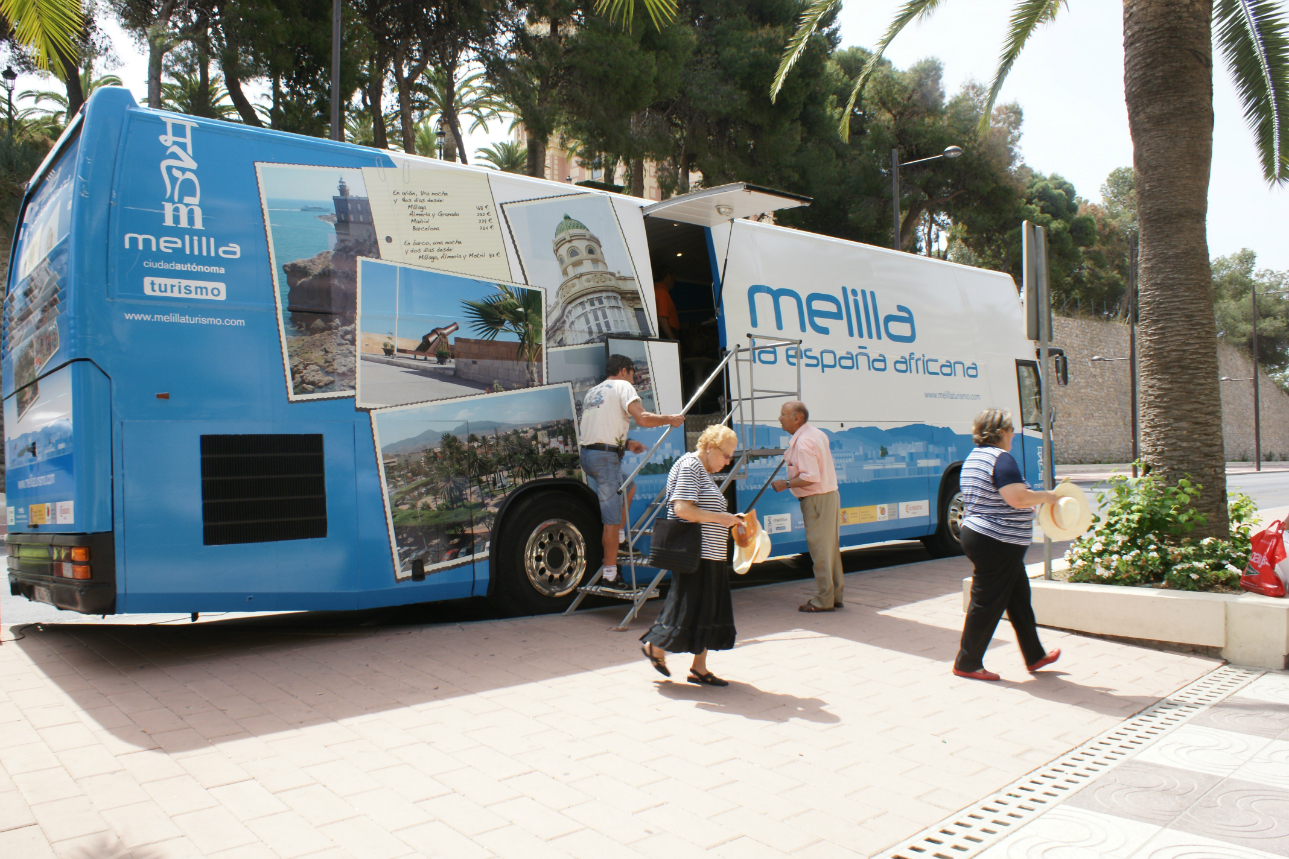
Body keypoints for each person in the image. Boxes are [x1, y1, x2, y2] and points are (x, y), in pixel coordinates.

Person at [954, 408, 1063, 681]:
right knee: (986, 602)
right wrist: (1047, 497)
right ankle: (967, 663)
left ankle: (1034, 655)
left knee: (1019, 598)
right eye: (1011, 429)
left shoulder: (974, 457)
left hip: (983, 535)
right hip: (996, 539)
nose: (1014, 434)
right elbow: (1017, 498)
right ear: (1000, 431)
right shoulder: (1000, 458)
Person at [640, 424, 745, 685]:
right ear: (710, 447)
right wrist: (722, 518)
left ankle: (699, 667)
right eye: (726, 455)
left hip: (710, 554)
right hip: (698, 554)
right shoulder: (691, 466)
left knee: (706, 610)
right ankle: (655, 646)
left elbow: (703, 510)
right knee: (687, 609)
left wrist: (731, 519)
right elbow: (682, 509)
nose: (728, 462)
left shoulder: (701, 470)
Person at [580, 354, 685, 589]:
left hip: (589, 456)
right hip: (605, 460)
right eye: (633, 374)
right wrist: (670, 419)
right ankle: (609, 576)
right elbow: (643, 418)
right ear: (624, 370)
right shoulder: (623, 386)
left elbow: (598, 430)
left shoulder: (593, 393)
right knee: (611, 520)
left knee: (629, 486)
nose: (634, 380)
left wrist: (627, 444)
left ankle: (620, 540)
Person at [771, 401, 844, 612]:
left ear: (797, 418)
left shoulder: (803, 443)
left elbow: (810, 477)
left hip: (816, 500)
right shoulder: (817, 434)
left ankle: (824, 600)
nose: (779, 418)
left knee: (820, 551)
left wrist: (785, 484)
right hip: (829, 496)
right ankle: (835, 595)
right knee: (830, 550)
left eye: (783, 414)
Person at [654, 266, 680, 341]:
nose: (674, 280)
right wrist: (673, 340)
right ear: (668, 277)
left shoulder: (655, 290)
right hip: (665, 333)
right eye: (673, 277)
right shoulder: (662, 292)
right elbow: (662, 318)